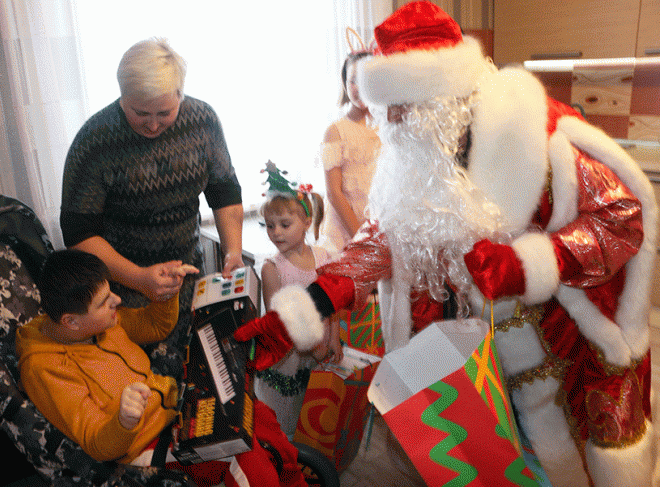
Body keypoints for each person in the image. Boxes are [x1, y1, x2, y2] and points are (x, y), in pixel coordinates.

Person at [256, 2, 659, 486]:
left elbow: (621, 217)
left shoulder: (534, 136)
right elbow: (383, 238)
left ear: (442, 93)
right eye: (388, 105)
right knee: (487, 460)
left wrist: (525, 265)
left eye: (403, 102)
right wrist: (313, 302)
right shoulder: (415, 151)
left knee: (567, 462)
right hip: (469, 356)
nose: (392, 118)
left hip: (557, 343)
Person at [16, 249, 309, 487]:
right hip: (143, 445)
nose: (117, 300)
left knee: (258, 414)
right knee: (241, 453)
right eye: (105, 302)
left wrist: (167, 294)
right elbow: (97, 444)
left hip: (175, 410)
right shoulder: (45, 368)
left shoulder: (98, 322)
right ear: (71, 321)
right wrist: (123, 422)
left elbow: (154, 326)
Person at [59, 37, 245, 355]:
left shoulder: (203, 121)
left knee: (197, 370)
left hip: (188, 278)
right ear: (123, 96)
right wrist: (140, 278)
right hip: (123, 295)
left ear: (180, 94)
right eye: (141, 113)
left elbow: (224, 191)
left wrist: (233, 252)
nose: (154, 125)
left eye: (165, 112)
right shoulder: (95, 140)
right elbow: (78, 233)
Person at [255, 162, 340, 439]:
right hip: (289, 356)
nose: (276, 232)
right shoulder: (272, 269)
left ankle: (307, 451)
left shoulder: (324, 258)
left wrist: (334, 338)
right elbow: (282, 322)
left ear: (306, 222)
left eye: (284, 224)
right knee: (285, 415)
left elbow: (332, 302)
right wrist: (315, 347)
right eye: (270, 226)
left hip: (320, 347)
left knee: (312, 409)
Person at [320, 48, 380, 255]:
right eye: (353, 80)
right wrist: (361, 238)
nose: (359, 87)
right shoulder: (335, 131)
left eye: (366, 80)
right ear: (345, 84)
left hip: (379, 227)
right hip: (346, 231)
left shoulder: (386, 128)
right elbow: (333, 193)